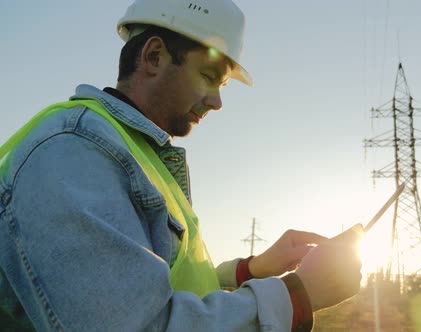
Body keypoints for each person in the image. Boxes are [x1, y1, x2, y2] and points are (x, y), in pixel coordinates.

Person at [0, 0, 363, 331]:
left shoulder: (132, 155)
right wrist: (297, 295)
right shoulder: (72, 152)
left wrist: (249, 271)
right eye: (208, 76)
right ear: (154, 56)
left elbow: (158, 288)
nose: (218, 102)